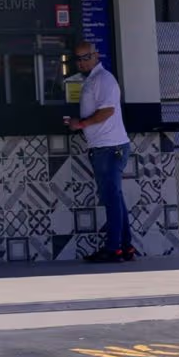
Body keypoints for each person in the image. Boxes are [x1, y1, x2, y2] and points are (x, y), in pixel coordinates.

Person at [65, 40, 133, 263]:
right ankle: (125, 246)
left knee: (111, 199)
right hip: (106, 147)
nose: (82, 62)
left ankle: (114, 249)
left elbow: (107, 111)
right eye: (78, 59)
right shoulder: (94, 79)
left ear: (96, 56)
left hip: (109, 148)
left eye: (86, 57)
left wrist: (80, 124)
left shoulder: (103, 79)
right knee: (115, 198)